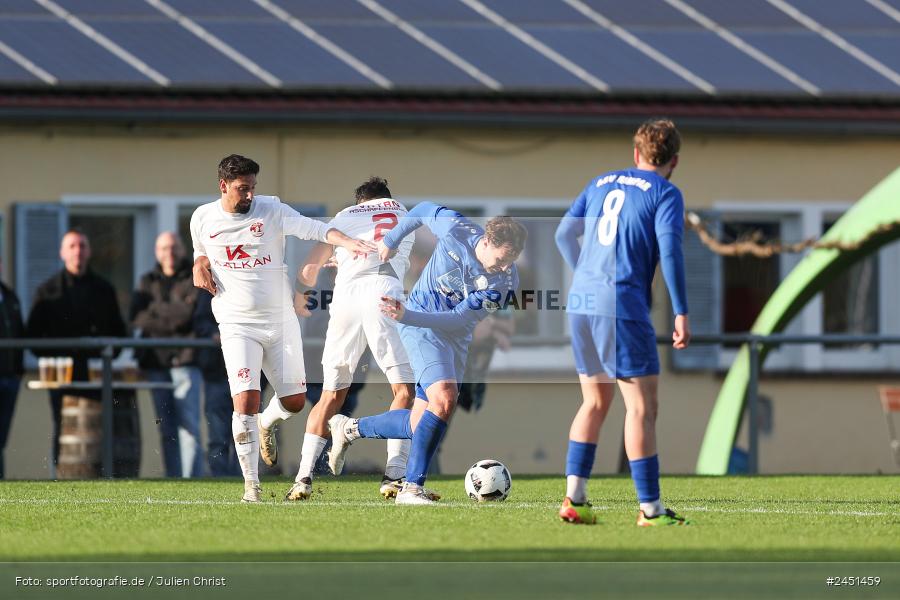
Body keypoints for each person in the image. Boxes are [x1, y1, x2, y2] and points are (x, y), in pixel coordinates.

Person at [190, 154, 375, 503]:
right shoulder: (202, 217)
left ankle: (266, 423)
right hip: (236, 323)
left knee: (292, 402)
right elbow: (201, 250)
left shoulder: (272, 211)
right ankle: (251, 488)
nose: (249, 196)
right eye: (242, 189)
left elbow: (316, 228)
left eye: (253, 188)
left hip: (280, 321)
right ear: (223, 186)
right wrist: (198, 262)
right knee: (245, 399)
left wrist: (348, 242)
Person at [327, 204, 526, 505]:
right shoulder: (456, 228)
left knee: (420, 421)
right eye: (500, 260)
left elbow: (459, 319)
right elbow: (421, 210)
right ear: (486, 242)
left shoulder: (506, 281)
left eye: (510, 262)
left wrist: (406, 316)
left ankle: (350, 428)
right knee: (444, 398)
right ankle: (411, 488)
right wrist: (390, 241)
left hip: (449, 334)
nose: (503, 268)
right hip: (420, 326)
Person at [554, 118, 691, 526]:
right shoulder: (666, 193)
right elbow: (670, 253)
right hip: (621, 305)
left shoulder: (600, 183)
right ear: (674, 161)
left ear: (635, 154)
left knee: (595, 401)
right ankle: (651, 510)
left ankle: (575, 500)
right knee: (642, 409)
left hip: (581, 302)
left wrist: (587, 277)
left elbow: (563, 235)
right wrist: (681, 310)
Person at [258, 176, 420, 501]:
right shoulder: (403, 212)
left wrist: (303, 293)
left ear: (360, 202)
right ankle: (394, 477)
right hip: (384, 297)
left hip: (345, 302)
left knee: (330, 397)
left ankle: (302, 479)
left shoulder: (344, 217)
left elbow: (308, 269)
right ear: (386, 199)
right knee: (404, 391)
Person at [26, 229, 131, 473]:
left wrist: (107, 356)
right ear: (63, 253)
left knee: (100, 426)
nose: (78, 252)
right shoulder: (47, 290)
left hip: (96, 372)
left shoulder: (104, 289)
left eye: (82, 246)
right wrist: (54, 357)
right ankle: (58, 476)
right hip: (61, 374)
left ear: (89, 252)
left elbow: (119, 332)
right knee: (62, 425)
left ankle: (100, 477)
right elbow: (32, 338)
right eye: (72, 246)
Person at [131, 232, 203, 478]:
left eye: (173, 247)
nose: (168, 253)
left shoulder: (193, 277)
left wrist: (156, 314)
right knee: (167, 428)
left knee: (189, 427)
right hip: (155, 363)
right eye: (163, 248)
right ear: (156, 252)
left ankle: (193, 480)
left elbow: (187, 315)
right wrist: (173, 315)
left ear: (182, 250)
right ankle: (174, 479)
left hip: (186, 361)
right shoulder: (147, 281)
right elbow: (138, 317)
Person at [193, 289, 240, 477]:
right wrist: (215, 334)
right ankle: (220, 479)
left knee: (246, 435)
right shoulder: (212, 287)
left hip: (248, 377)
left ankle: (246, 478)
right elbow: (200, 321)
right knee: (218, 436)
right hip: (217, 373)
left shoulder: (254, 283)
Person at [0, 262, 24, 479]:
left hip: (10, 378)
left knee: (2, 438)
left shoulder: (9, 297)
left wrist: (18, 371)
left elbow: (20, 333)